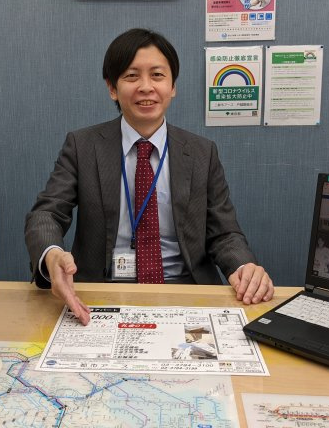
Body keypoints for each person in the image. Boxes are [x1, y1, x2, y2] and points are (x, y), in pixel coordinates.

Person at [25, 28, 274, 325]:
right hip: (101, 294)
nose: (146, 87)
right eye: (132, 76)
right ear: (112, 88)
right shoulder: (82, 146)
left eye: (157, 75)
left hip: (186, 292)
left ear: (172, 86)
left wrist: (244, 267)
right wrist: (52, 254)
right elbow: (47, 213)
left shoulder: (201, 152)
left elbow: (224, 233)